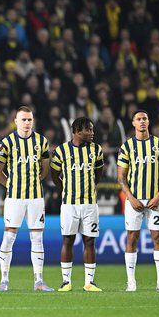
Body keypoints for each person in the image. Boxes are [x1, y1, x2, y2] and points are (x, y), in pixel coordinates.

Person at [0, 106, 54, 292]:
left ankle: (39, 281)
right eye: (23, 120)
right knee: (9, 236)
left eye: (29, 119)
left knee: (37, 238)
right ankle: (4, 280)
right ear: (16, 121)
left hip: (36, 197)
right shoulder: (7, 142)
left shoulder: (42, 142)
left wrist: (33, 183)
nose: (27, 123)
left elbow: (44, 170)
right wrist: (12, 186)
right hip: (14, 198)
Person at [117, 110, 159, 292]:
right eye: (138, 119)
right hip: (134, 200)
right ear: (133, 123)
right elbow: (121, 177)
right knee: (132, 238)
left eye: (145, 119)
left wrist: (158, 196)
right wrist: (130, 198)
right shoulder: (127, 147)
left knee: (158, 237)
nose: (142, 122)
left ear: (149, 122)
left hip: (155, 200)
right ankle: (131, 283)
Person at [50, 117, 104, 292]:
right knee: (68, 239)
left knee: (90, 241)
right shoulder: (61, 151)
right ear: (77, 131)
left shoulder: (96, 150)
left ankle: (89, 282)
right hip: (69, 204)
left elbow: (98, 173)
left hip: (90, 204)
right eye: (89, 130)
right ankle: (66, 281)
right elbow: (54, 175)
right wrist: (64, 190)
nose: (92, 133)